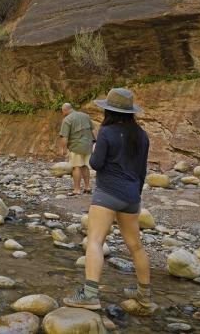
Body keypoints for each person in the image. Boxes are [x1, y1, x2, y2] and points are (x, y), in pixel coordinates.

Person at [63, 88, 153, 311]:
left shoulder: (107, 131)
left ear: (109, 110)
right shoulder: (141, 135)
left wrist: (95, 149)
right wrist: (137, 195)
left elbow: (95, 164)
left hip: (107, 194)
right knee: (136, 246)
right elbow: (142, 170)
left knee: (95, 241)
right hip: (132, 196)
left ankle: (90, 295)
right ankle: (145, 294)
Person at [59, 102, 96, 196]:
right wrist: (96, 141)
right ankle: (87, 187)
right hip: (88, 145)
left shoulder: (67, 119)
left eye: (62, 111)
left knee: (76, 167)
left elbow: (64, 137)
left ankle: (77, 189)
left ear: (65, 110)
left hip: (76, 146)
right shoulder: (85, 116)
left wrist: (64, 149)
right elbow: (93, 130)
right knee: (84, 166)